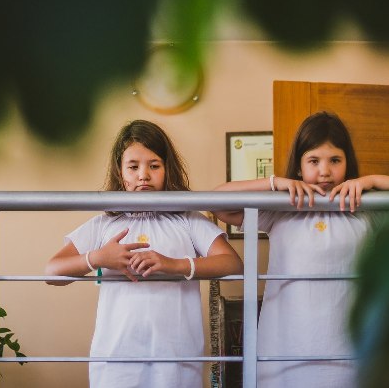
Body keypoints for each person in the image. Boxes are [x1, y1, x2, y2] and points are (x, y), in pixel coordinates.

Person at [213, 111, 389, 388]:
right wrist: (274, 183)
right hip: (287, 343)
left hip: (348, 346)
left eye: (335, 160)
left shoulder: (366, 209)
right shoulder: (280, 210)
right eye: (314, 161)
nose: (325, 171)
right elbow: (218, 203)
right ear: (299, 166)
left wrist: (371, 181)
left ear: (347, 163)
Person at [45, 119, 243, 388]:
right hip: (115, 358)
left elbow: (233, 264)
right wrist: (98, 258)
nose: (143, 175)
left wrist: (174, 265)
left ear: (168, 169)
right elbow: (52, 272)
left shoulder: (188, 219)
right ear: (120, 172)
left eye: (154, 165)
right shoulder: (104, 224)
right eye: (133, 166)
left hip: (177, 357)